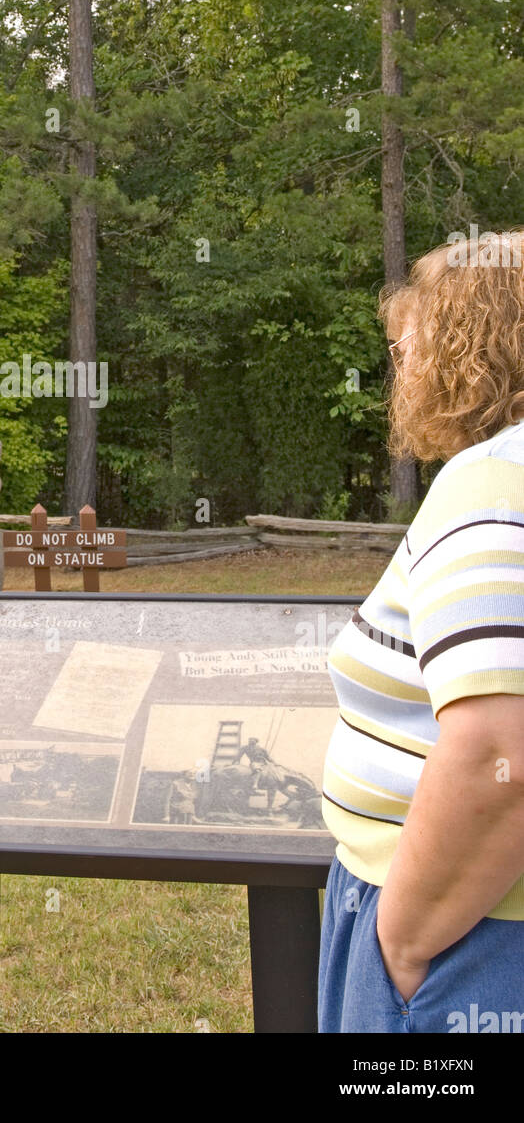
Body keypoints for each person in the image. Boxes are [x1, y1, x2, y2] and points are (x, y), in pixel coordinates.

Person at [319, 229, 524, 1033]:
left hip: (465, 937)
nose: (400, 360)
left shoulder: (492, 480)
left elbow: (497, 751)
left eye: (415, 336)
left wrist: (403, 942)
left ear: (477, 343)